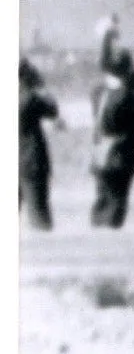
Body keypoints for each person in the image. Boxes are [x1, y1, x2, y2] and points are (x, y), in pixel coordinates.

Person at [88, 27, 134, 229]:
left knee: (101, 199)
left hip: (100, 153)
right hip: (122, 154)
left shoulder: (98, 91)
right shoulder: (129, 95)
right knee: (117, 201)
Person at [19, 58, 62, 230]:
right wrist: (41, 87)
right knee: (39, 215)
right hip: (31, 161)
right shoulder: (29, 98)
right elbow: (52, 110)